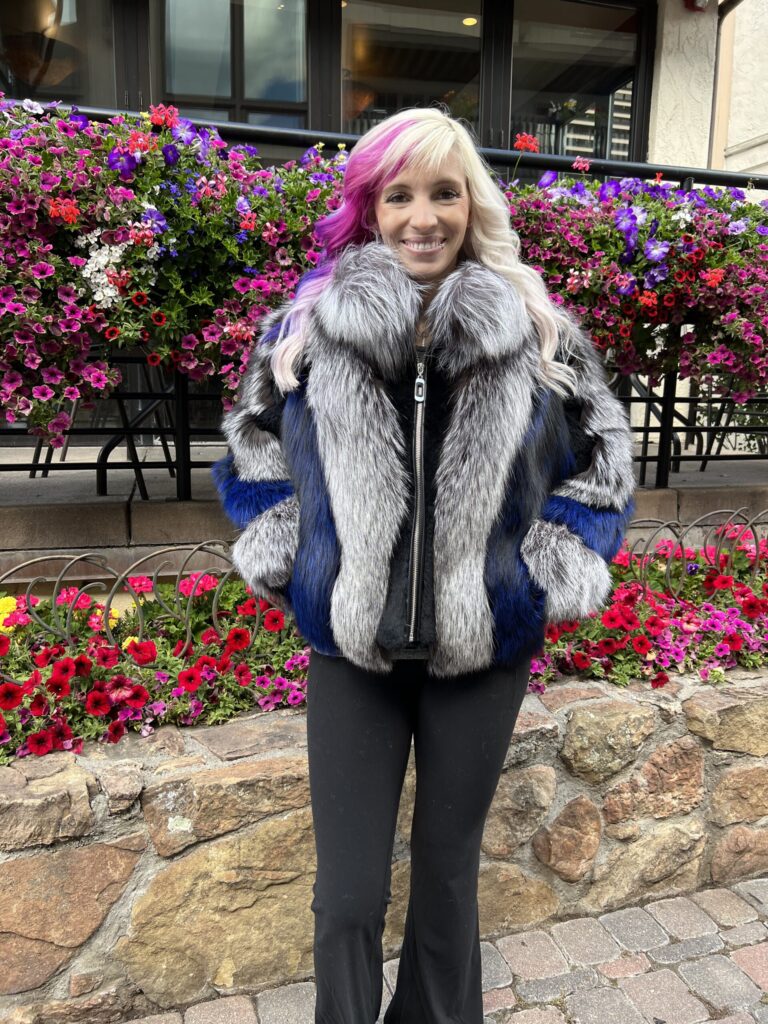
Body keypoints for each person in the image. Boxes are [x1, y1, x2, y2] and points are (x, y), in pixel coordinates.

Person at [212, 105, 636, 1024]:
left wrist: (545, 567)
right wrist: (293, 554)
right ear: (370, 208)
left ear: (470, 203)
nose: (422, 217)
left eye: (444, 192)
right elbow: (252, 446)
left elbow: (603, 461)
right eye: (399, 194)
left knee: (447, 886)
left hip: (482, 652)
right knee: (348, 901)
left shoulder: (536, 329)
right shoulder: (305, 330)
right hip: (352, 654)